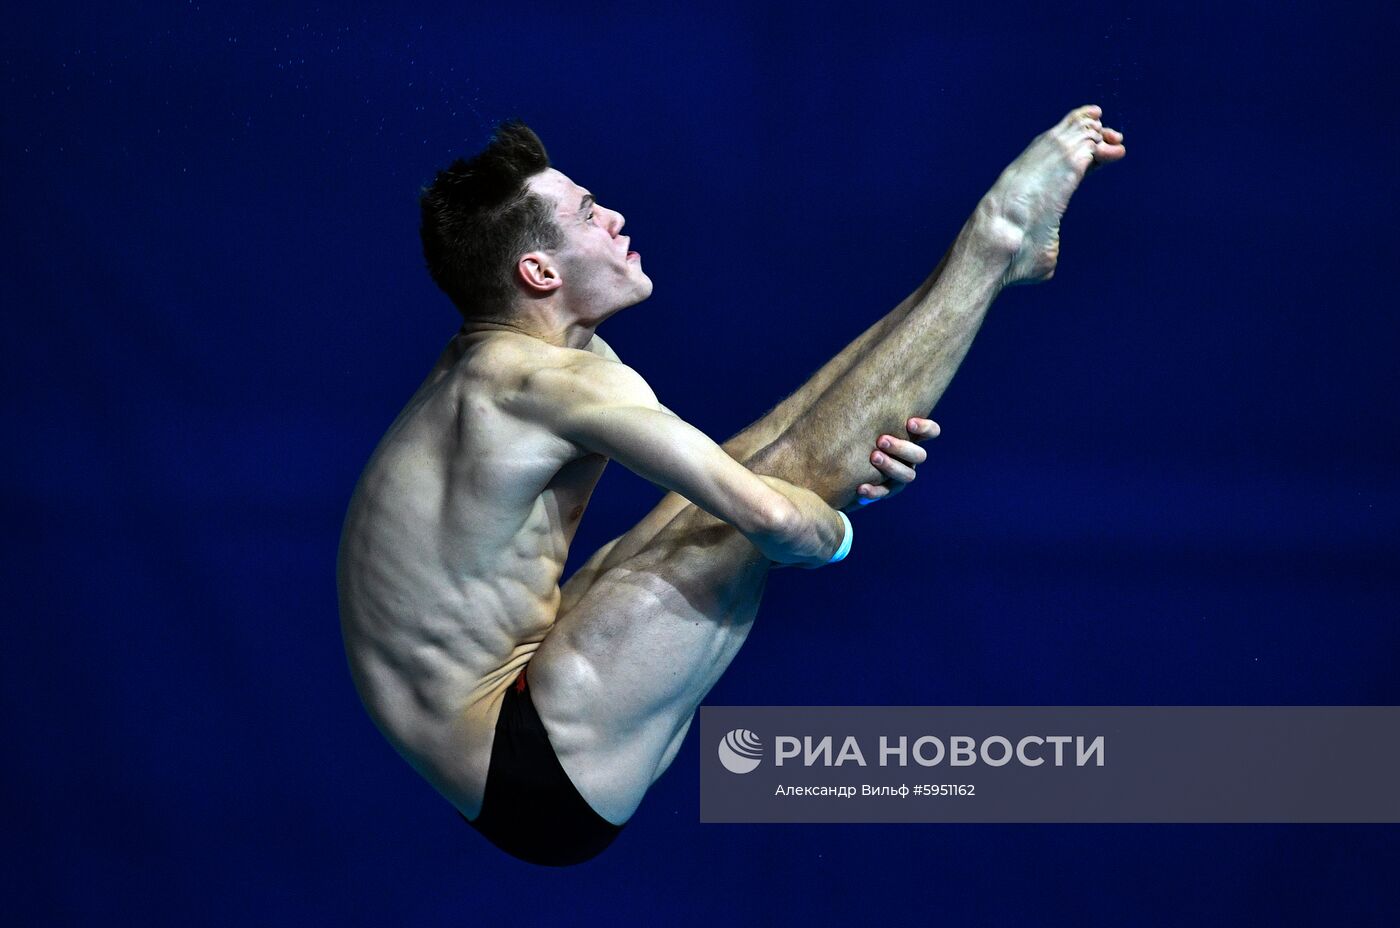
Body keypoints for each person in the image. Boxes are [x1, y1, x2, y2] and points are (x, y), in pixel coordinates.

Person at [337, 106, 1126, 866]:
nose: (613, 216)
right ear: (538, 271)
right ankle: (995, 240)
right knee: (775, 495)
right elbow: (778, 520)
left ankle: (992, 254)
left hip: (503, 726)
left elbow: (762, 463)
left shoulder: (489, 366)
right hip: (536, 767)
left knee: (765, 462)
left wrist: (827, 489)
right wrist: (840, 526)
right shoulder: (550, 385)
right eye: (585, 213)